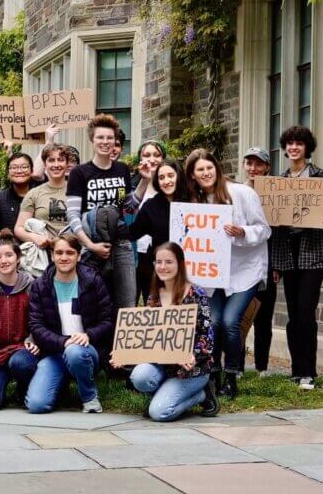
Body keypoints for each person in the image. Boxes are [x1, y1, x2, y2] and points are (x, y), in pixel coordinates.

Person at [184, 149, 271, 398]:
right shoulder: (194, 203)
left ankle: (232, 377)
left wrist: (242, 232)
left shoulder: (243, 193)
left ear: (217, 168)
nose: (206, 173)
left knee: (232, 321)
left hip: (244, 271)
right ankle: (214, 374)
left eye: (209, 167)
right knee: (213, 322)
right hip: (211, 274)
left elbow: (264, 230)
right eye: (199, 170)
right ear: (193, 175)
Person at [117, 242, 219, 421]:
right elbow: (150, 338)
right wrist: (123, 354)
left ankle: (202, 395)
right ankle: (165, 392)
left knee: (159, 413)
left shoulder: (196, 294)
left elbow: (207, 338)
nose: (163, 267)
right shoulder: (154, 296)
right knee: (139, 376)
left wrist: (192, 355)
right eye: (158, 262)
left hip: (192, 369)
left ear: (180, 263)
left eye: (169, 262)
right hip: (163, 366)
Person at [271, 126, 323, 390]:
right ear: (285, 148)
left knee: (305, 311)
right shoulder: (280, 181)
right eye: (289, 143)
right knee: (292, 313)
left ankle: (309, 372)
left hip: (313, 251)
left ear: (306, 147)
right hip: (288, 252)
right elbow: (274, 222)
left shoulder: (320, 177)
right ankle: (296, 369)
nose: (294, 147)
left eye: (298, 143)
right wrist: (275, 263)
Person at [26, 234, 113, 414]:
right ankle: (62, 385)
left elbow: (108, 320)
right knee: (36, 405)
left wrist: (88, 335)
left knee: (74, 351)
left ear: (79, 256)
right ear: (52, 255)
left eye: (70, 253)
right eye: (59, 253)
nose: (64, 257)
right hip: (55, 353)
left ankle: (89, 396)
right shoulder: (40, 285)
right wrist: (62, 342)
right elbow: (36, 326)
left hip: (87, 350)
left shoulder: (93, 281)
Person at [66, 114, 146, 311]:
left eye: (110, 138)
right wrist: (90, 245)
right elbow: (72, 215)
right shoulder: (79, 173)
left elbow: (128, 207)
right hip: (91, 243)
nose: (105, 142)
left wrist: (144, 180)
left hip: (120, 243)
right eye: (100, 137)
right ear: (92, 139)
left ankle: (122, 342)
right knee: (94, 304)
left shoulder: (122, 169)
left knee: (127, 303)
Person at [0, 230, 39, 410]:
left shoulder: (31, 285)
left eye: (9, 255)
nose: (4, 261)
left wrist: (33, 339)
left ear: (18, 258)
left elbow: (39, 320)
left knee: (20, 364)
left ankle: (23, 388)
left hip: (22, 351)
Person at [242, 147, 277, 376]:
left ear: (267, 168)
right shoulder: (237, 193)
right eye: (250, 163)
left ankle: (262, 367)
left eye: (259, 164)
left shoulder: (277, 194)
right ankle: (237, 365)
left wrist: (276, 266)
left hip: (267, 264)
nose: (253, 168)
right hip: (243, 264)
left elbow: (278, 235)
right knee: (240, 317)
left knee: (264, 318)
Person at [127, 141, 175, 305]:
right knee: (128, 303)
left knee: (154, 304)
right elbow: (126, 211)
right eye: (146, 155)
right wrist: (145, 179)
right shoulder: (131, 185)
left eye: (156, 155)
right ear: (139, 159)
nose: (152, 159)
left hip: (156, 256)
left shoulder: (170, 188)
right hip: (132, 253)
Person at [15, 144, 70, 248]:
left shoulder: (79, 191)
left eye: (61, 160)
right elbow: (19, 228)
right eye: (51, 160)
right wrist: (34, 237)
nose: (56, 164)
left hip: (74, 252)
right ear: (45, 164)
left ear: (67, 164)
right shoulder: (34, 193)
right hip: (45, 254)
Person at [0, 153, 36, 248]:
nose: (19, 171)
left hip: (39, 253)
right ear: (8, 173)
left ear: (32, 171)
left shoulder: (40, 194)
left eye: (24, 167)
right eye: (14, 168)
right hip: (8, 255)